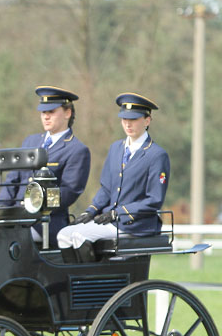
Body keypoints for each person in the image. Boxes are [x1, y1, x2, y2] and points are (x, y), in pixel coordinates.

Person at [56, 92, 169, 262]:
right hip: (110, 220)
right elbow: (107, 188)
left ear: (147, 120)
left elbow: (154, 199)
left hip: (136, 224)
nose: (128, 124)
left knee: (79, 235)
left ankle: (92, 282)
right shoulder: (116, 148)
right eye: (124, 119)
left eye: (134, 119)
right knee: (64, 235)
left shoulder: (156, 155)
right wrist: (91, 210)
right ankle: (77, 283)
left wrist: (117, 213)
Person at [0, 86, 91, 248]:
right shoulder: (30, 142)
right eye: (43, 112)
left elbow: (69, 192)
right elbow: (13, 179)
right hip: (15, 217)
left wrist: (34, 205)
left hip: (45, 222)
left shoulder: (77, 150)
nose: (46, 117)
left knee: (5, 240)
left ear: (67, 113)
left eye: (51, 112)